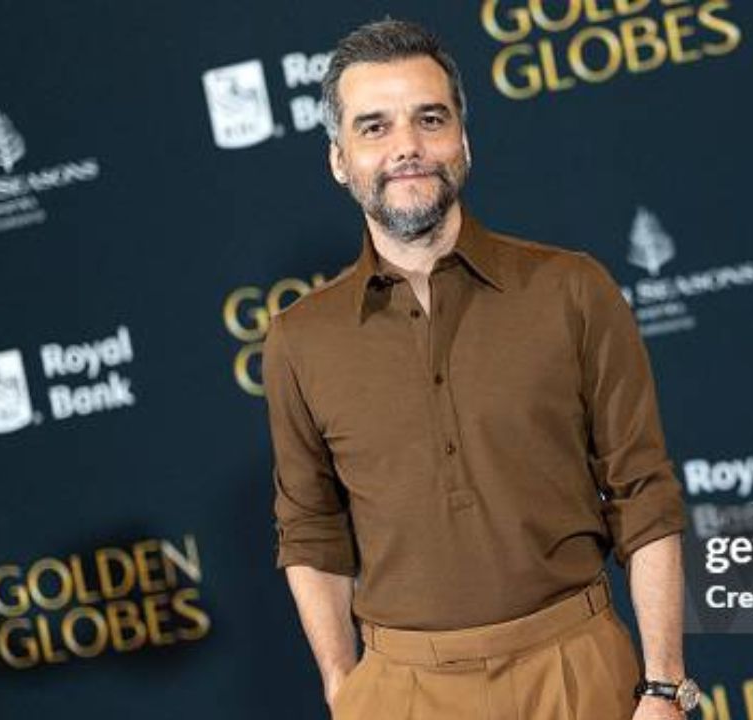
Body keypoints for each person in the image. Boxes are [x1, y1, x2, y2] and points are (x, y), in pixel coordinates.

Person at [261, 18, 698, 720]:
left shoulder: (572, 289)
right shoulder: (299, 339)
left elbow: (644, 492)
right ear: (339, 159)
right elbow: (310, 529)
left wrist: (664, 684)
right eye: (374, 127)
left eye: (429, 119)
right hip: (400, 693)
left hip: (579, 671)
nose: (407, 148)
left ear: (463, 137)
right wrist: (346, 691)